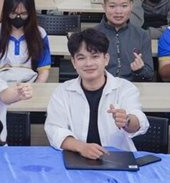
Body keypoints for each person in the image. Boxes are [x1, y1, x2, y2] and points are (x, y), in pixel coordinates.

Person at [45, 28, 149, 158]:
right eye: (81, 58)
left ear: (106, 59)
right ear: (73, 62)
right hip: (76, 157)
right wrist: (81, 147)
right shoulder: (62, 92)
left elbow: (139, 121)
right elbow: (54, 129)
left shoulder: (125, 88)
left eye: (95, 57)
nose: (88, 63)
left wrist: (127, 120)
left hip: (117, 158)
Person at [0, 0, 51, 83]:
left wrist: (36, 87)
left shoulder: (40, 34)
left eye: (23, 14)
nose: (18, 17)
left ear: (31, 13)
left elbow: (43, 70)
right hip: (1, 85)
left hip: (30, 85)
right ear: (6, 11)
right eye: (13, 13)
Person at [95, 0, 155, 82]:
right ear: (104, 7)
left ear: (131, 6)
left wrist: (139, 70)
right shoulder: (92, 35)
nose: (118, 11)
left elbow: (149, 73)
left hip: (132, 86)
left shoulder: (142, 35)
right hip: (101, 85)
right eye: (112, 6)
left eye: (124, 6)